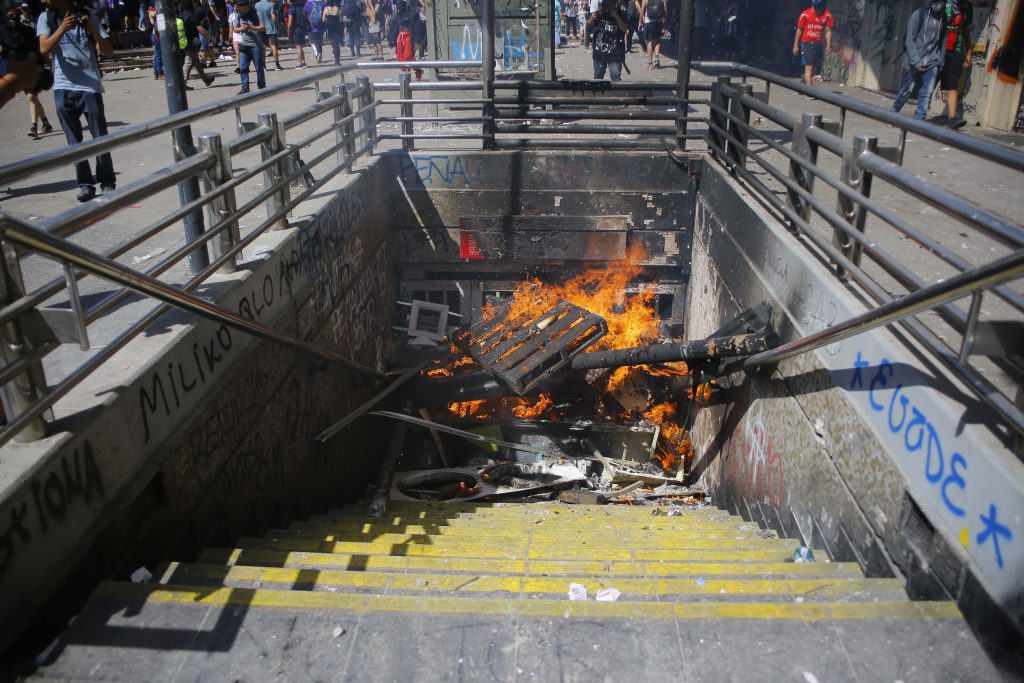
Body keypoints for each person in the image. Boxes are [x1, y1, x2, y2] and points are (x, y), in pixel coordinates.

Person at [37, 0, 116, 201]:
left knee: (100, 138)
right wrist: (62, 29)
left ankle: (107, 181)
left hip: (90, 87)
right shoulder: (46, 19)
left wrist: (93, 29)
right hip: (63, 87)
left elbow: (108, 51)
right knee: (74, 142)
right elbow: (44, 48)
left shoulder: (88, 16)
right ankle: (85, 184)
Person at [892, 0, 947, 121]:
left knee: (926, 94)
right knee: (907, 90)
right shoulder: (918, 15)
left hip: (932, 62)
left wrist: (940, 61)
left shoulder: (944, 18)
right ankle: (893, 113)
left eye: (943, 1)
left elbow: (943, 41)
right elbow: (909, 41)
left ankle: (918, 122)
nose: (940, 4)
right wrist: (916, 61)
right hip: (914, 61)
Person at [939, 0, 972, 128]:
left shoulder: (966, 6)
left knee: (953, 83)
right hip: (939, 49)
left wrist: (968, 51)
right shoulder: (943, 3)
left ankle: (952, 119)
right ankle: (898, 114)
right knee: (929, 81)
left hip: (956, 50)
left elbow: (965, 29)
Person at [793, 0, 832, 85]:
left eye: (820, 7)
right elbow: (799, 30)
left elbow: (828, 31)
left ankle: (803, 84)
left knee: (812, 69)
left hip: (818, 44)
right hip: (807, 43)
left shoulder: (827, 15)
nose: (818, 10)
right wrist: (795, 45)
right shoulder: (805, 14)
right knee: (809, 66)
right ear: (813, 6)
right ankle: (809, 92)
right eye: (816, 7)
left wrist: (828, 45)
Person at [178, 0, 215, 88]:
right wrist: (210, 37)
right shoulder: (192, 15)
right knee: (188, 62)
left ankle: (206, 79)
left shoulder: (182, 15)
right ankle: (182, 83)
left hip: (184, 41)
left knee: (196, 62)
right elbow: (200, 29)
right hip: (192, 41)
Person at [587, 0, 626, 80]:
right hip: (599, 53)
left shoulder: (620, 13)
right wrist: (592, 18)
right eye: (605, 4)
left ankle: (614, 93)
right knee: (598, 77)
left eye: (610, 4)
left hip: (615, 53)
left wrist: (616, 17)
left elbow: (624, 29)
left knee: (616, 78)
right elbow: (588, 25)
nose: (607, 6)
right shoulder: (599, 13)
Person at [230, 0, 264, 92]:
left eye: (245, 8)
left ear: (248, 6)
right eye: (242, 8)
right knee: (243, 67)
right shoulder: (238, 14)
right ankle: (245, 87)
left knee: (258, 68)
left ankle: (261, 86)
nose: (243, 10)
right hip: (244, 45)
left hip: (256, 45)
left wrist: (251, 27)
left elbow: (263, 27)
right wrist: (241, 28)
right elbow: (235, 28)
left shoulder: (257, 13)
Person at [254, 0, 281, 68]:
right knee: (273, 46)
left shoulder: (256, 5)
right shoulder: (270, 5)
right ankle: (277, 64)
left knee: (263, 47)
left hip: (261, 27)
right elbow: (274, 18)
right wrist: (277, 25)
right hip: (270, 27)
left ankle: (263, 65)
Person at [640, 0, 664, 69]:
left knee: (649, 42)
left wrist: (640, 21)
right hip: (659, 22)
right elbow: (665, 10)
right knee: (657, 41)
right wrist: (665, 23)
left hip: (649, 22)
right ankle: (656, 58)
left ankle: (650, 63)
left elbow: (642, 10)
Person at [286, 0, 306, 65]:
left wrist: (288, 31)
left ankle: (299, 63)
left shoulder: (291, 9)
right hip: (302, 29)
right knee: (300, 46)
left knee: (298, 47)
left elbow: (290, 22)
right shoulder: (300, 7)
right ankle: (303, 62)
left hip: (295, 29)